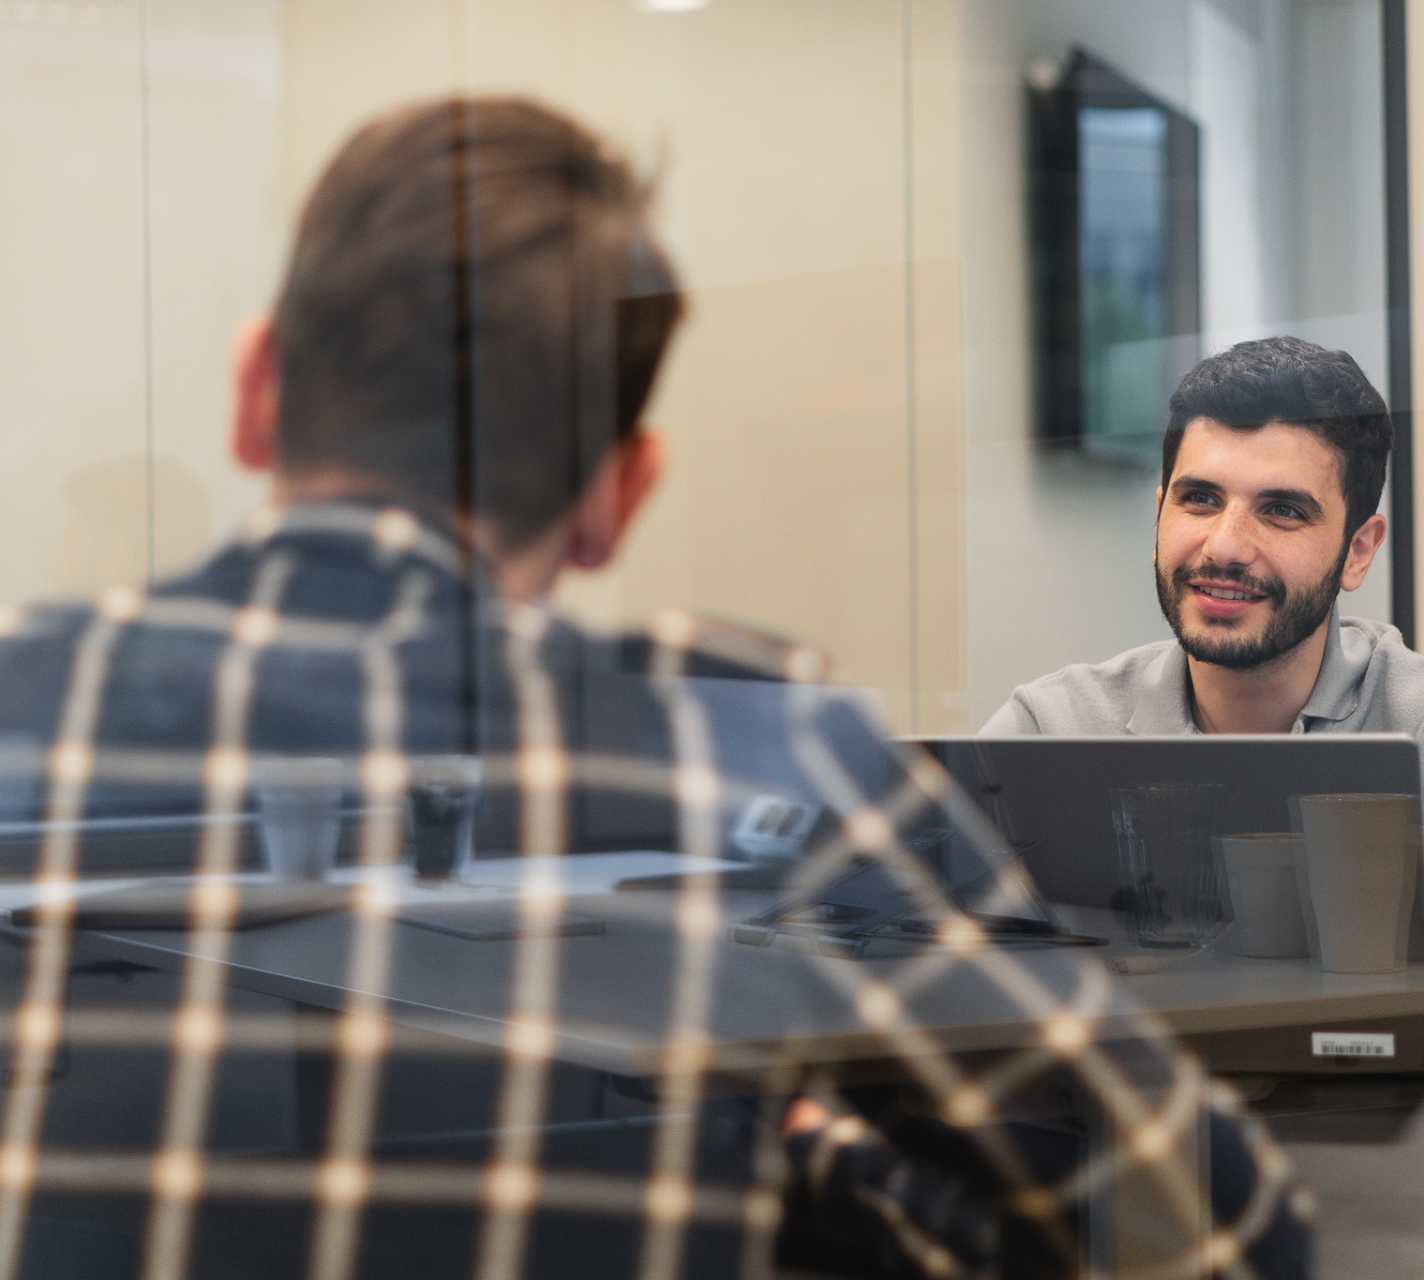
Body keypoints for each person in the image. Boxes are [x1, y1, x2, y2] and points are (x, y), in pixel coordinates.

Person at [0, 99, 1309, 1277]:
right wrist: (791, 1143)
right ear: (616, 498)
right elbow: (1218, 1236)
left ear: (253, 391)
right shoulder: (750, 753)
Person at [984, 336, 1424, 1028]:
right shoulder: (1057, 721)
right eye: (1200, 499)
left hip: (1396, 1141)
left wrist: (1310, 982)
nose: (1226, 546)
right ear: (1160, 512)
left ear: (1358, 551)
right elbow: (887, 925)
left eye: (1283, 510)